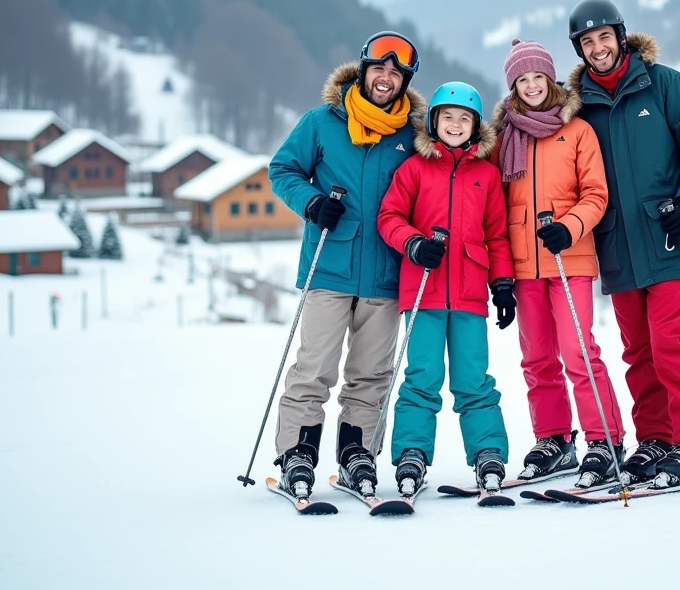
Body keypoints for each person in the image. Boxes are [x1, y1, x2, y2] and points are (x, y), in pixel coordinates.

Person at [565, 0, 680, 486]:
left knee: (668, 339)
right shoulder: (581, 107)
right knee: (637, 349)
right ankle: (658, 438)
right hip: (617, 244)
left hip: (668, 236)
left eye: (604, 37)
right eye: (587, 42)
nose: (597, 48)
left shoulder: (664, 85)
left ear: (621, 36)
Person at [267, 31, 425, 499]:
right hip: (330, 267)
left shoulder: (412, 134)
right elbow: (282, 170)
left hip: (385, 271)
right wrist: (312, 202)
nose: (386, 77)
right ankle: (298, 451)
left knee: (371, 373)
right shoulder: (323, 121)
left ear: (405, 80)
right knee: (314, 367)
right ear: (363, 70)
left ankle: (357, 452)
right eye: (379, 68)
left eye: (397, 72)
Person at [489, 38, 626, 488]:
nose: (530, 86)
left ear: (550, 78)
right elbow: (494, 206)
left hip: (570, 258)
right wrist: (501, 276)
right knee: (536, 358)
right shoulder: (505, 136)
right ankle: (553, 439)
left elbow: (596, 195)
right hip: (523, 265)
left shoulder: (577, 130)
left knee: (578, 352)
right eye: (521, 79)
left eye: (537, 77)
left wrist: (569, 226)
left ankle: (605, 441)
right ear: (513, 85)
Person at [377, 81, 515, 495]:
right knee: (422, 376)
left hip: (471, 294)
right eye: (448, 117)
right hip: (423, 291)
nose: (456, 124)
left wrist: (503, 283)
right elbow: (389, 217)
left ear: (475, 126)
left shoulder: (486, 175)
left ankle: (488, 452)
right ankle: (411, 455)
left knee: (474, 379)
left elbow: (497, 235)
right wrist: (413, 243)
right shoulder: (415, 169)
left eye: (464, 118)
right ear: (434, 122)